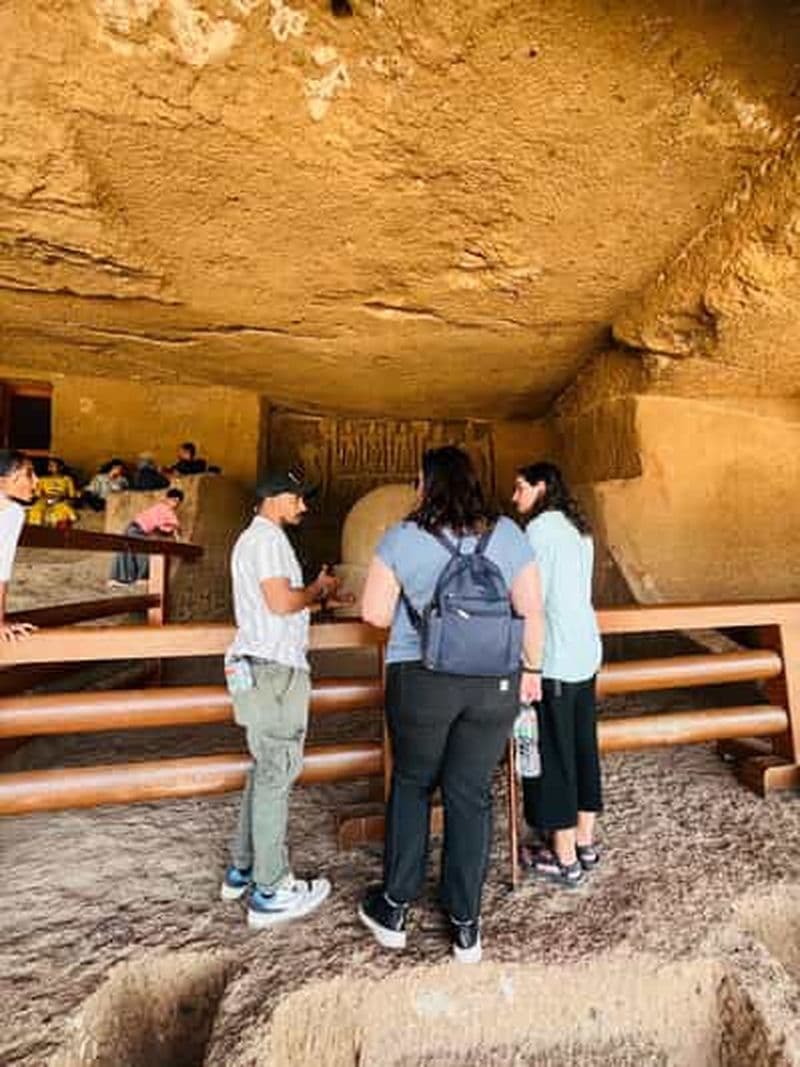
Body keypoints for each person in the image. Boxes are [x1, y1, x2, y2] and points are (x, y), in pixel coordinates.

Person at [357, 446, 544, 964]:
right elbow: (531, 611)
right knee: (471, 795)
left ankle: (394, 907)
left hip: (422, 678)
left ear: (427, 485)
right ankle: (466, 924)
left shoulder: (403, 536)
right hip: (494, 683)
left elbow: (373, 613)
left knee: (414, 784)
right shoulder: (507, 534)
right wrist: (532, 671)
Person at [220, 469, 341, 929]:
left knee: (264, 768)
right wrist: (316, 590)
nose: (304, 507)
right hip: (275, 671)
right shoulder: (268, 540)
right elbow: (279, 602)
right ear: (275, 498)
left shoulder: (254, 539)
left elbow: (279, 603)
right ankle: (270, 890)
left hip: (258, 665)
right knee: (277, 771)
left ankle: (244, 867)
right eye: (298, 498)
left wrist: (315, 599)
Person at [512, 461, 603, 888]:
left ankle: (563, 858)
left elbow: (533, 602)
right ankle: (585, 841)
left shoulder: (539, 531)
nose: (515, 498)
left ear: (542, 487)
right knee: (584, 748)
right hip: (586, 652)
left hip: (556, 658)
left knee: (555, 755)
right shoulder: (579, 530)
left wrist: (529, 661)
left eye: (520, 489)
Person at [109, 488, 183, 587]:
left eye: (178, 503)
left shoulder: (158, 507)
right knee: (146, 552)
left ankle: (117, 578)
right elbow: (175, 526)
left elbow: (162, 526)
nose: (176, 505)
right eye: (175, 501)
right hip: (138, 531)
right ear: (171, 499)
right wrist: (178, 539)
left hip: (132, 527)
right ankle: (141, 579)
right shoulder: (166, 509)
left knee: (128, 551)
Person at [0, 451, 38, 641]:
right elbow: (1, 569)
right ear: (5, 480)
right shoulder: (11, 512)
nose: (37, 481)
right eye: (29, 474)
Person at [27, 457, 78, 528]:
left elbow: (72, 496)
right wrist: (46, 497)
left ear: (60, 467)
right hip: (45, 499)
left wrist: (62, 498)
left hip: (61, 501)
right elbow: (37, 494)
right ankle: (35, 531)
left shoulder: (67, 479)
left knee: (62, 513)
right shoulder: (43, 479)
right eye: (49, 466)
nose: (50, 467)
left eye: (52, 465)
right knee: (36, 511)